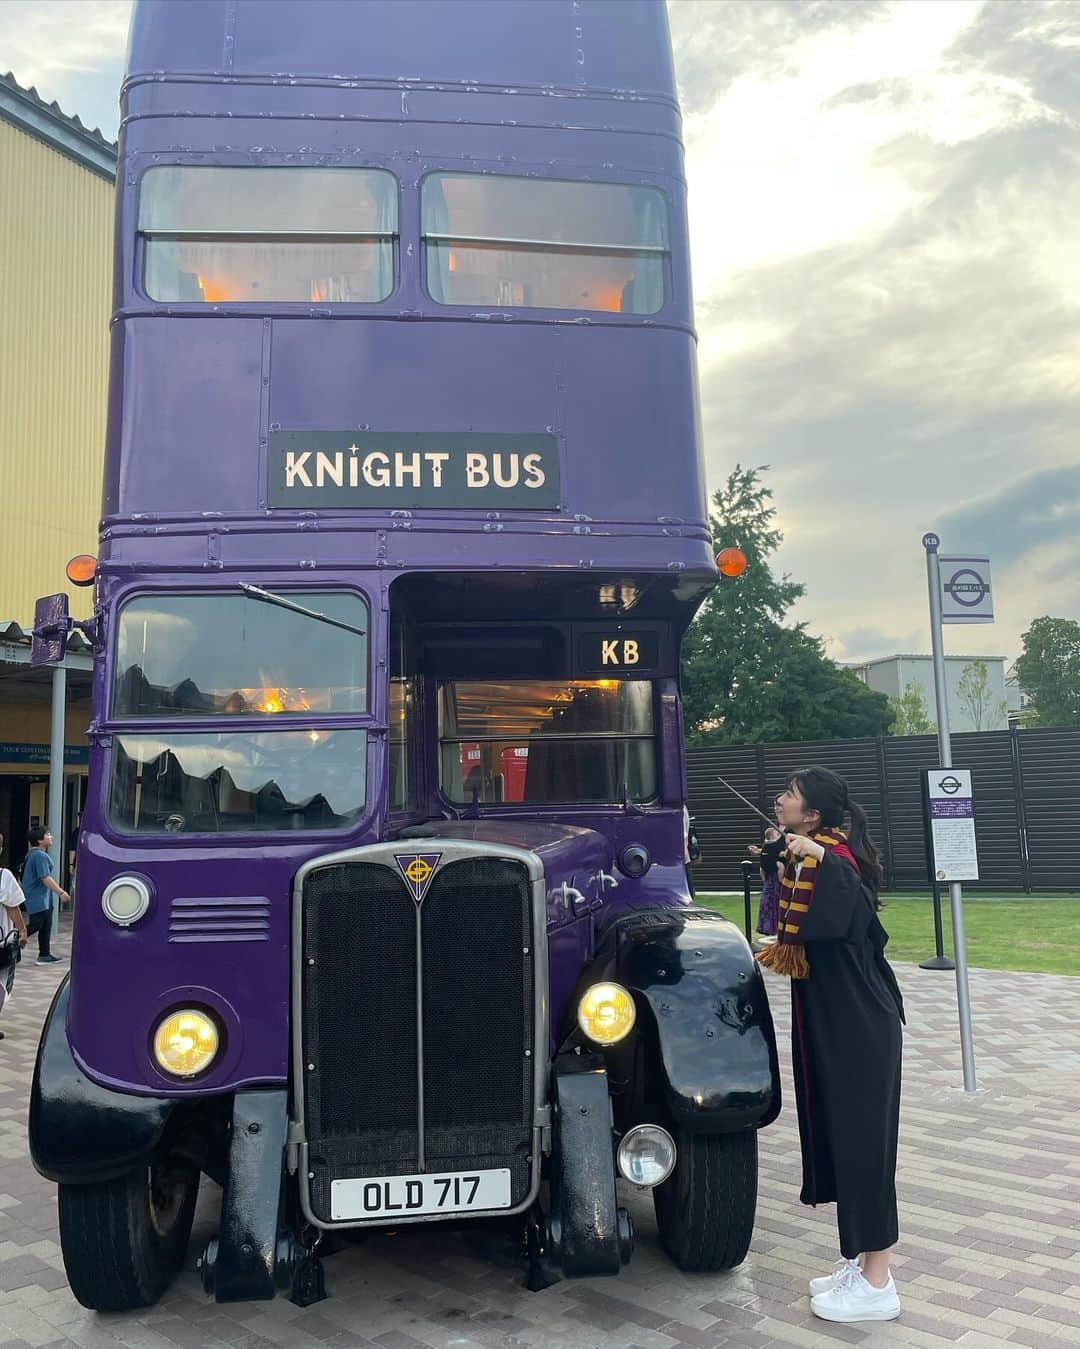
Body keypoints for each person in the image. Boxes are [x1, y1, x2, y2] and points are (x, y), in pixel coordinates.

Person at [755, 766, 905, 1324]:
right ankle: (861, 1262)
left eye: (789, 796)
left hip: (862, 1026)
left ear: (812, 814)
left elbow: (853, 911)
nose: (779, 801)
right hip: (835, 1023)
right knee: (844, 1138)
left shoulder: (837, 863)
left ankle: (879, 1280)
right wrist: (782, 858)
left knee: (866, 1146)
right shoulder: (808, 858)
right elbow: (778, 924)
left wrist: (815, 859)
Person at [21, 827, 68, 965]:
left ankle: (44, 954)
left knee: (45, 925)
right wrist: (61, 892)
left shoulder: (34, 854)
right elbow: (45, 877)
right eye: (48, 834)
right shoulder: (39, 855)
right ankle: (13, 941)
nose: (51, 836)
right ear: (40, 840)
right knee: (37, 924)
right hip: (38, 897)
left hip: (43, 897)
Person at [0, 834, 29, 1037]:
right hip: (1, 943)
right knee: (2, 982)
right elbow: (13, 908)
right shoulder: (4, 876)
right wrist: (22, 931)